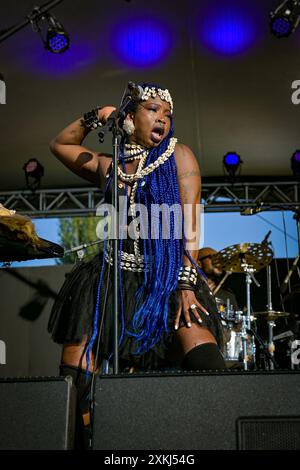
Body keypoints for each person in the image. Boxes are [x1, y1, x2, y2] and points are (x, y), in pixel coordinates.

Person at [48, 82, 225, 448]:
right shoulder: (108, 165)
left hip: (167, 276)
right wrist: (97, 115)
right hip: (111, 277)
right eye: (152, 110)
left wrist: (187, 283)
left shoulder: (179, 156)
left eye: (167, 113)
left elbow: (190, 226)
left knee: (204, 356)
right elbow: (60, 145)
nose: (163, 118)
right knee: (77, 367)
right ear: (129, 118)